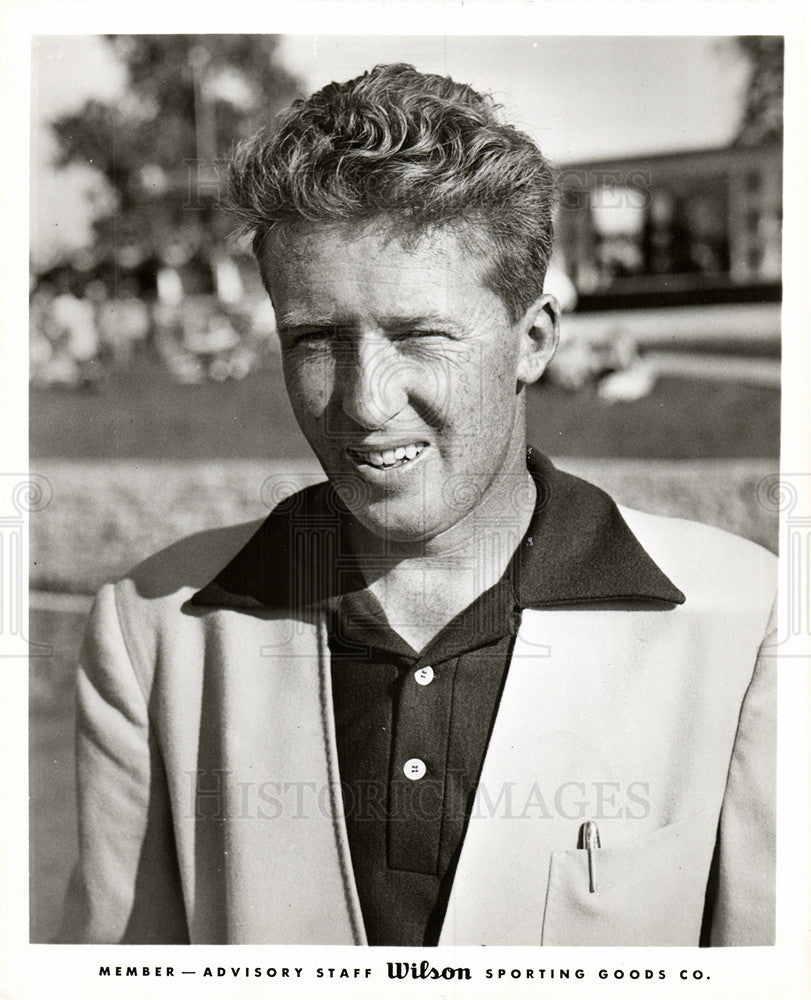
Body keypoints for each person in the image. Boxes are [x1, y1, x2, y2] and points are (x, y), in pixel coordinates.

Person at [60, 64, 776, 947]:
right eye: (316, 341)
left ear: (534, 341)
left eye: (419, 336)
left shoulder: (747, 625)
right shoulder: (150, 632)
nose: (364, 401)